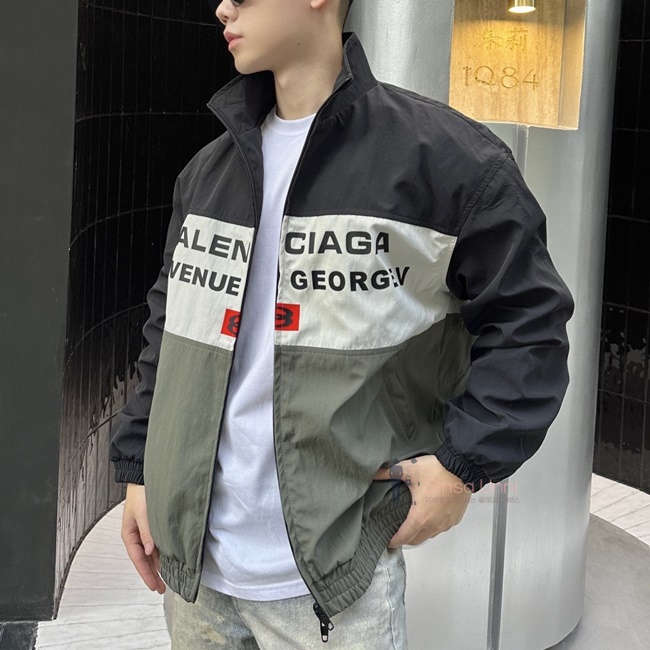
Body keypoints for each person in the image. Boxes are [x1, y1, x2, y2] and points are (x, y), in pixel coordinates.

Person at [109, 0, 575, 647]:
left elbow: (530, 325)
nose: (222, 7)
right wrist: (140, 467)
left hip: (335, 586)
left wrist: (461, 464)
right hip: (196, 579)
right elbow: (169, 331)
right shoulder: (209, 173)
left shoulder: (446, 163)